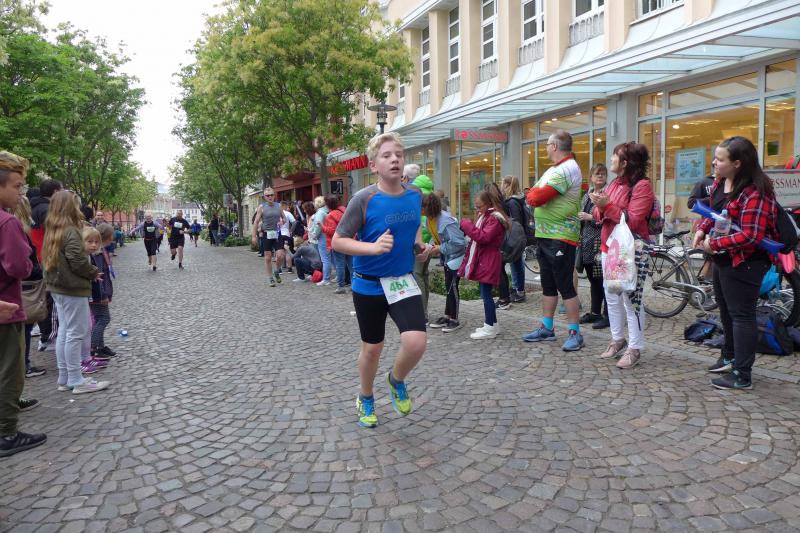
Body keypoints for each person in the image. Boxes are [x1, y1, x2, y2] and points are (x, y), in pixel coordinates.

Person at [333, 132, 430, 429]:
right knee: (372, 348)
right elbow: (338, 241)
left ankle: (396, 379)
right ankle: (365, 396)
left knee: (416, 342)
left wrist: (419, 246)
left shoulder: (415, 194)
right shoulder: (363, 199)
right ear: (374, 165)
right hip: (369, 284)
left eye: (398, 155)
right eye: (386, 156)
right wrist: (372, 248)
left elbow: (413, 226)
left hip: (401, 281)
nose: (394, 160)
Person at [693, 137, 778, 390]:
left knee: (742, 315)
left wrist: (715, 244)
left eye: (720, 159)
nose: (714, 163)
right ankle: (729, 356)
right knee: (726, 310)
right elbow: (716, 212)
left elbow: (752, 235)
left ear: (737, 163)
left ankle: (742, 374)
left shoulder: (756, 192)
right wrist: (702, 228)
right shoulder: (721, 181)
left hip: (746, 261)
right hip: (722, 258)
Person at [0, 151, 48, 457]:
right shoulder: (8, 223)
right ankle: (7, 433)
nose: (21, 193)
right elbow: (20, 266)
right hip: (7, 307)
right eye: (17, 186)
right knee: (10, 370)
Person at [592, 142, 655, 369]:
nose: (611, 160)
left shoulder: (642, 186)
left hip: (630, 250)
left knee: (631, 299)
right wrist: (600, 207)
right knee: (612, 295)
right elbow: (597, 215)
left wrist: (606, 206)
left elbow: (634, 220)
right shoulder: (614, 183)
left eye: (614, 156)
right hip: (609, 248)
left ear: (625, 163)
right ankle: (617, 339)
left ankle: (634, 347)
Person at [43, 190, 110, 394]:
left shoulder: (53, 230)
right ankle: (76, 379)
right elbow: (77, 260)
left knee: (65, 331)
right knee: (76, 332)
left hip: (59, 287)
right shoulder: (70, 230)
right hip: (72, 288)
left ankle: (65, 377)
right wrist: (93, 272)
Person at [523, 129, 585, 352]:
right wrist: (533, 194)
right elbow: (531, 192)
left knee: (565, 285)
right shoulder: (553, 169)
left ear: (555, 146)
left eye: (548, 144)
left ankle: (575, 332)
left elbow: (537, 196)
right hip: (546, 235)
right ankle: (547, 327)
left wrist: (533, 194)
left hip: (561, 236)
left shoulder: (568, 168)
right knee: (548, 284)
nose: (546, 148)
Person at [459, 190, 509, 339]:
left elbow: (483, 237)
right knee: (485, 293)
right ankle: (492, 324)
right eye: (476, 206)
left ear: (488, 204)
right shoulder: (487, 216)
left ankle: (490, 327)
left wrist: (467, 225)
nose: (477, 209)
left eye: (479, 206)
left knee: (486, 294)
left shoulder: (493, 219)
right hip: (486, 258)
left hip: (489, 259)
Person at [12, 197, 47, 378]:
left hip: (21, 284)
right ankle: (23, 365)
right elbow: (21, 264)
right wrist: (39, 271)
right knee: (24, 326)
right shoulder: (18, 229)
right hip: (26, 285)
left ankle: (22, 364)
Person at [425, 192, 466, 333]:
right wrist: (432, 246)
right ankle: (447, 315)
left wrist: (439, 248)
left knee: (452, 287)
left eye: (421, 207)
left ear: (428, 207)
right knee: (448, 285)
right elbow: (436, 237)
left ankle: (454, 319)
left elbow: (459, 243)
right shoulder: (429, 219)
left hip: (456, 257)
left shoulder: (446, 220)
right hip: (448, 257)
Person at [30, 179, 62, 353]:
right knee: (50, 301)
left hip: (40, 257)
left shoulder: (35, 207)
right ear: (55, 192)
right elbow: (55, 234)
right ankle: (48, 337)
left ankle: (46, 336)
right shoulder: (46, 209)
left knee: (46, 299)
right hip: (47, 258)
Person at [577, 164, 609, 329]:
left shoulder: (607, 194)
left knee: (603, 280)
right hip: (587, 243)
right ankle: (595, 312)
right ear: (591, 177)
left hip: (601, 242)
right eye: (597, 174)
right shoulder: (587, 195)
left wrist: (590, 217)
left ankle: (607, 315)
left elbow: (609, 218)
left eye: (603, 174)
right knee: (593, 280)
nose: (600, 176)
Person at [497, 175, 528, 308]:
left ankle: (519, 291)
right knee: (516, 263)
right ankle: (517, 288)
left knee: (516, 264)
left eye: (503, 183)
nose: (501, 186)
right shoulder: (516, 199)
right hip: (517, 237)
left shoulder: (512, 202)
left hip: (515, 237)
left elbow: (516, 222)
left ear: (508, 185)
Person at [88, 224, 117, 361]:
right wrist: (103, 294)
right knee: (103, 318)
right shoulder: (98, 253)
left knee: (101, 318)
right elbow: (98, 275)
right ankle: (94, 348)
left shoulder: (101, 250)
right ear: (108, 236)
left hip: (100, 291)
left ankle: (100, 346)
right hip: (98, 292)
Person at [251, 188, 286, 287]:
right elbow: (256, 222)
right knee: (268, 257)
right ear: (264, 197)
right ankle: (270, 278)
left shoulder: (278, 206)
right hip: (266, 234)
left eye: (271, 195)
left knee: (280, 255)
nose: (270, 197)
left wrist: (282, 222)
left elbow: (284, 218)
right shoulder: (262, 207)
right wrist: (254, 236)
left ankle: (277, 271)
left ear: (274, 195)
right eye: (267, 195)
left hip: (277, 233)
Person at [411, 175, 434, 321]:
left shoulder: (416, 198)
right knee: (424, 276)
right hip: (429, 245)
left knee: (417, 276)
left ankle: (422, 313)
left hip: (418, 245)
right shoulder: (431, 197)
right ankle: (424, 310)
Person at [322, 194, 352, 294]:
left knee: (340, 265)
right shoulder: (345, 211)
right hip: (349, 240)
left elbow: (332, 231)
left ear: (328, 204)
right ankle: (354, 285)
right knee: (351, 265)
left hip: (338, 243)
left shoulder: (330, 215)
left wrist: (322, 227)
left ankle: (341, 286)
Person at [310, 196, 331, 286]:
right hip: (328, 236)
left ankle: (326, 279)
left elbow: (318, 226)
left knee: (325, 259)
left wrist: (314, 235)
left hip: (322, 236)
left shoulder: (320, 213)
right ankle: (334, 277)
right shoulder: (327, 211)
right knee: (330, 258)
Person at [278, 201, 295, 273]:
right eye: (286, 206)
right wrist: (291, 231)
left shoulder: (276, 213)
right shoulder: (288, 213)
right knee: (287, 251)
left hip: (278, 234)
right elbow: (294, 222)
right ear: (284, 206)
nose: (287, 207)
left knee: (279, 251)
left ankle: (279, 269)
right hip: (286, 234)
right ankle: (289, 268)